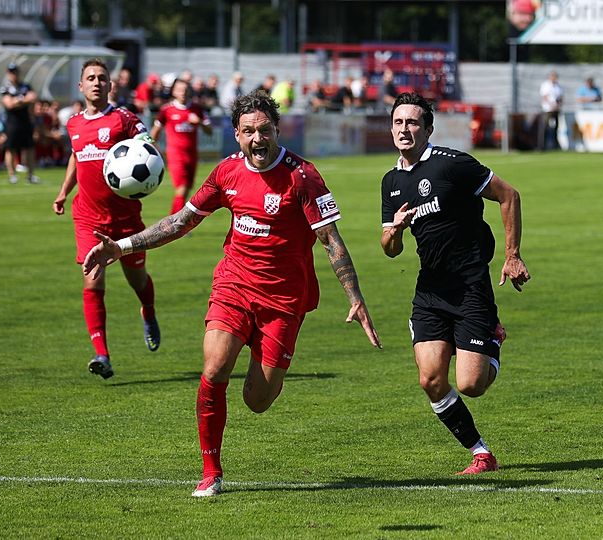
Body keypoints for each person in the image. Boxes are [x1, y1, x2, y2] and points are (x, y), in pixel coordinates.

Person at [82, 90, 381, 497]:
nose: (257, 138)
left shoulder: (303, 176)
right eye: (248, 131)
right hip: (234, 286)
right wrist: (121, 247)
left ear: (276, 130)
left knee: (257, 400)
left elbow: (330, 240)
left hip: (283, 300)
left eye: (264, 130)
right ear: (237, 135)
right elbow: (181, 222)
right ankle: (211, 471)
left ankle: (269, 358)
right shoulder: (226, 172)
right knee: (214, 368)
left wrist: (355, 297)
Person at [380, 93, 530, 475]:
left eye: (413, 122)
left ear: (428, 129)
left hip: (469, 287)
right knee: (431, 379)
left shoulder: (452, 164)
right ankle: (481, 453)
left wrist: (512, 255)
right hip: (430, 291)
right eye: (398, 122)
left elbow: (509, 195)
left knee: (471, 384)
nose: (404, 129)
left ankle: (492, 337)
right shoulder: (391, 182)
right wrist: (395, 230)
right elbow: (390, 249)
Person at [52, 59, 162, 380]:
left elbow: (147, 146)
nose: (97, 82)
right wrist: (63, 192)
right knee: (92, 280)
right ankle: (102, 354)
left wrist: (144, 147)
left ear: (111, 85)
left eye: (102, 78)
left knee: (137, 280)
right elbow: (76, 156)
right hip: (88, 218)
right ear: (81, 86)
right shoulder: (73, 124)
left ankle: (148, 311)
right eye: (91, 78)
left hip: (125, 219)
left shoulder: (123, 119)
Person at [151, 78, 213, 215]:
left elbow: (210, 131)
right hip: (175, 155)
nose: (183, 93)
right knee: (182, 188)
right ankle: (175, 222)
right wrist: (154, 149)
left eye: (185, 90)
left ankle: (174, 220)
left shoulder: (196, 109)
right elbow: (154, 132)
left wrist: (199, 123)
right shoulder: (167, 110)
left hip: (192, 155)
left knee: (186, 190)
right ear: (173, 91)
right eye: (179, 90)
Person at [0, 63, 39, 184]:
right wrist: (24, 99)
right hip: (12, 123)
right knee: (10, 148)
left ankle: (30, 175)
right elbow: (9, 104)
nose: (14, 75)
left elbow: (33, 98)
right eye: (11, 72)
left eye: (15, 72)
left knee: (29, 148)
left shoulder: (25, 86)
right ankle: (12, 175)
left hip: (25, 121)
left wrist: (17, 101)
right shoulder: (5, 88)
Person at [538, 70, 563, 150]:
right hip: (547, 109)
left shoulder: (558, 86)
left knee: (556, 127)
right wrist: (552, 105)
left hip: (556, 110)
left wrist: (558, 105)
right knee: (544, 127)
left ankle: (555, 145)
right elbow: (545, 97)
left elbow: (560, 97)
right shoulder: (545, 85)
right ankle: (542, 146)